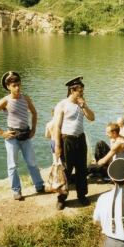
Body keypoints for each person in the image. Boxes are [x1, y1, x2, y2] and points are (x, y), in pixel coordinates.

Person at [0, 71, 44, 200]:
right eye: (14, 86)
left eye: (19, 84)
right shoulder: (5, 101)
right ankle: (16, 190)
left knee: (32, 162)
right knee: (12, 165)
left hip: (26, 135)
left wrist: (33, 129)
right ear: (8, 87)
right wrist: (1, 132)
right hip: (12, 137)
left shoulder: (25, 98)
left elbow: (34, 112)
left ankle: (39, 186)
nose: (17, 88)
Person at [53, 76, 95, 210]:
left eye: (82, 91)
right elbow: (57, 127)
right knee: (66, 170)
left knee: (81, 169)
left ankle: (81, 195)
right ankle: (61, 198)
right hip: (67, 140)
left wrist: (84, 106)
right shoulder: (62, 105)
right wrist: (58, 146)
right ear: (72, 91)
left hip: (80, 139)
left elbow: (92, 118)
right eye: (80, 91)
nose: (82, 93)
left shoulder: (81, 104)